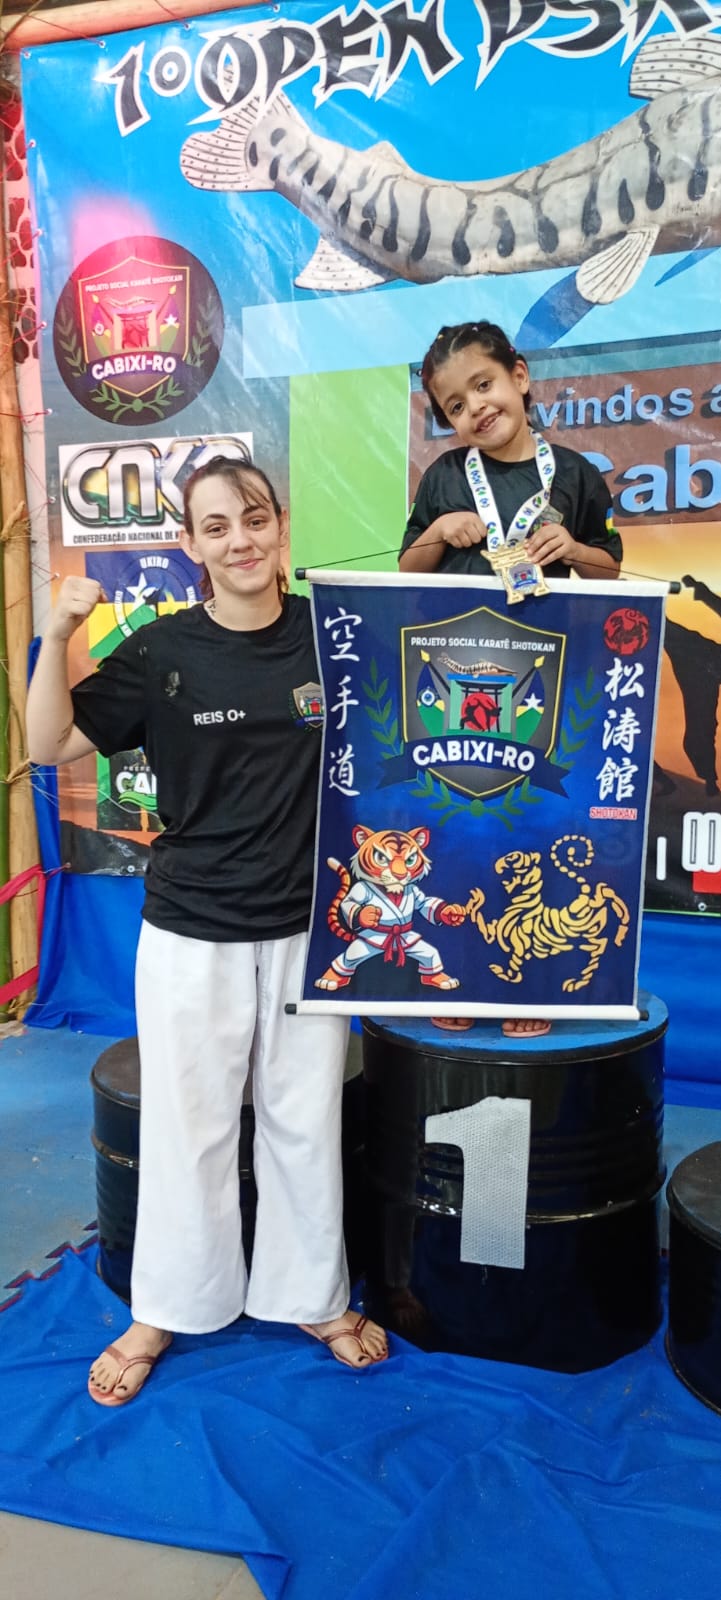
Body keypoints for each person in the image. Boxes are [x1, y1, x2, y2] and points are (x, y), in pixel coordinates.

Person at [26, 455, 388, 1405]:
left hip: (312, 929)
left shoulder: (335, 635)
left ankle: (313, 1298)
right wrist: (55, 636)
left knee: (303, 1121)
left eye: (254, 519)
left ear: (281, 524)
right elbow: (46, 744)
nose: (241, 541)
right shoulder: (162, 651)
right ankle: (167, 1308)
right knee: (189, 1128)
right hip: (193, 930)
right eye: (217, 527)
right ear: (190, 544)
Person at [399, 319, 623, 1035]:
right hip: (455, 684)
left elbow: (610, 570)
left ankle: (532, 990)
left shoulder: (576, 474)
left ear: (519, 377)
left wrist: (574, 548)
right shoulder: (443, 477)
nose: (475, 408)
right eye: (455, 405)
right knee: (461, 822)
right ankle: (462, 976)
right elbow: (406, 568)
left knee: (535, 821)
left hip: (545, 686)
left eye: (484, 385)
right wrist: (440, 532)